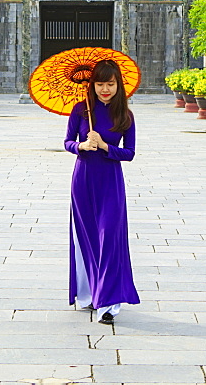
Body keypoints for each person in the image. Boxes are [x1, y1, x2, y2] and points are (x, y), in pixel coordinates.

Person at [64, 59, 140, 324]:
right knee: (85, 238)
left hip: (110, 182)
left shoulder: (125, 116)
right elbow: (67, 141)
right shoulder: (80, 111)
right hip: (83, 180)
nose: (105, 89)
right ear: (92, 85)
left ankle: (108, 303)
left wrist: (106, 147)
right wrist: (81, 146)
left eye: (110, 84)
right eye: (100, 84)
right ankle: (89, 295)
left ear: (119, 85)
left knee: (110, 237)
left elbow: (129, 154)